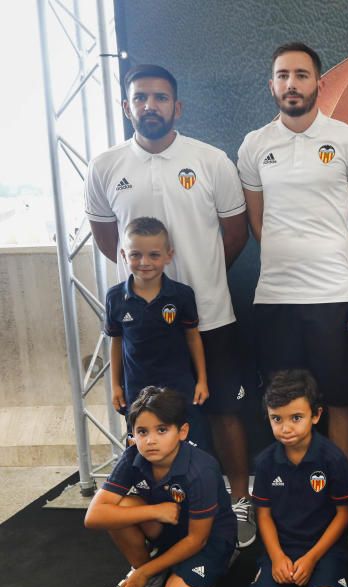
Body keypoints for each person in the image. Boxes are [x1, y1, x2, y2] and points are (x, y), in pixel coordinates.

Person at [85, 63, 255, 548]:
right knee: (151, 425)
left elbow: (235, 233)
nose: (150, 106)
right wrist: (144, 280)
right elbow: (107, 238)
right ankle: (160, 512)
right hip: (145, 330)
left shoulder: (210, 160)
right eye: (140, 98)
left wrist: (201, 275)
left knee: (224, 412)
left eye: (160, 98)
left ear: (176, 107)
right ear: (126, 107)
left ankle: (238, 501)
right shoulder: (106, 166)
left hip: (211, 317)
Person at [238, 42, 348, 466]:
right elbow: (257, 222)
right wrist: (287, 260)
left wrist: (339, 262)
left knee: (340, 399)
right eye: (283, 76)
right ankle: (293, 492)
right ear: (272, 85)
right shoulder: (254, 145)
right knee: (283, 402)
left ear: (319, 83)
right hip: (276, 298)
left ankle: (336, 492)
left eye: (301, 75)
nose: (291, 84)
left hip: (334, 295)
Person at [83, 387, 237, 587]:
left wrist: (141, 574)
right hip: (167, 528)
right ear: (133, 435)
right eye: (142, 432)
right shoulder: (133, 456)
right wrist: (156, 511)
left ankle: (216, 567)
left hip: (207, 540)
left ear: (182, 432)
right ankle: (152, 572)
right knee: (121, 508)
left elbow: (197, 539)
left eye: (162, 430)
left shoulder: (201, 470)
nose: (150, 441)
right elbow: (93, 517)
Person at [248, 370, 348, 587]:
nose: (286, 428)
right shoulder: (265, 462)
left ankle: (321, 583)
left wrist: (311, 558)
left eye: (296, 418)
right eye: (277, 419)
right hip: (283, 547)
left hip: (324, 549)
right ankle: (281, 582)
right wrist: (276, 557)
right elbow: (262, 514)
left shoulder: (333, 459)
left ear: (316, 415)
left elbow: (345, 514)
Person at [103, 218, 208, 445]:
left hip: (179, 388)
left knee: (185, 447)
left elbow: (193, 338)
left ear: (168, 255)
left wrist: (202, 380)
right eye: (135, 255)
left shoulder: (181, 295)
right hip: (136, 390)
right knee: (143, 451)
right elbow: (116, 343)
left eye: (154, 255)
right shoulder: (115, 298)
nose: (144, 262)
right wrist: (115, 386)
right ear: (123, 255)